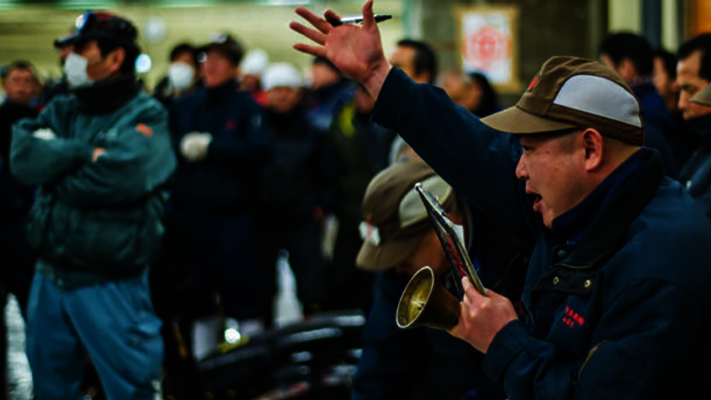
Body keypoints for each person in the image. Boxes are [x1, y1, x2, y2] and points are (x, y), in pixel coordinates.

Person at [291, 3, 711, 398]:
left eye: (529, 149)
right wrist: (378, 75)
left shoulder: (656, 267)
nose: (519, 169)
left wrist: (502, 341)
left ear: (589, 150)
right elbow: (473, 150)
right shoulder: (577, 203)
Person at [10, 10, 175, 399]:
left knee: (130, 388)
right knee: (49, 387)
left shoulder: (146, 114)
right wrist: (87, 154)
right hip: (50, 276)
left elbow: (124, 177)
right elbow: (23, 158)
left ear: (116, 57)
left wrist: (56, 163)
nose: (69, 58)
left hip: (110, 282)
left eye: (81, 48)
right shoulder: (62, 108)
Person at [351, 160, 532, 400]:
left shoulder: (515, 242)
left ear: (439, 223)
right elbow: (381, 360)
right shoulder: (400, 275)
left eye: (404, 252)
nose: (397, 265)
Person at [164, 31, 271, 366]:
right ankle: (205, 372)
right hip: (190, 220)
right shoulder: (183, 107)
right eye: (206, 59)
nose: (210, 66)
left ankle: (251, 371)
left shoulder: (248, 109)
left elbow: (259, 153)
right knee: (198, 300)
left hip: (234, 221)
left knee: (242, 296)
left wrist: (214, 147)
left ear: (236, 67)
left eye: (220, 60)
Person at [256, 62, 335, 319]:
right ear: (266, 93)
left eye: (287, 89)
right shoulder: (255, 132)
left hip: (303, 220)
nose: (282, 95)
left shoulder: (314, 132)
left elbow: (326, 173)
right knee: (262, 289)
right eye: (276, 89)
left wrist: (322, 205)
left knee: (313, 289)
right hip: (263, 220)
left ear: (298, 92)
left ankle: (316, 347)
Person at [325, 83, 393, 313]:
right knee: (343, 273)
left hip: (382, 214)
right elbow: (331, 165)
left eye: (368, 91)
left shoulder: (389, 124)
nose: (363, 97)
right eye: (360, 91)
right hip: (348, 210)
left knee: (374, 275)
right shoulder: (342, 122)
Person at [0, 60, 41, 400]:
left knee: (33, 303)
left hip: (24, 226)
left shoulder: (40, 122)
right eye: (17, 80)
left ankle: (42, 370)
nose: (22, 86)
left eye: (28, 80)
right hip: (3, 223)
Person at [600, 32, 679, 177]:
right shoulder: (654, 101)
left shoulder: (636, 114)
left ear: (625, 67)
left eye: (605, 66)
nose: (601, 76)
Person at [387, 39, 437, 164]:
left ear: (423, 76)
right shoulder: (389, 117)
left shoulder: (435, 124)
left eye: (397, 67)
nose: (388, 73)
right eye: (388, 66)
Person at [305, 56, 354, 130]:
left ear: (332, 71)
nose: (313, 73)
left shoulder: (347, 95)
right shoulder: (320, 93)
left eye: (317, 68)